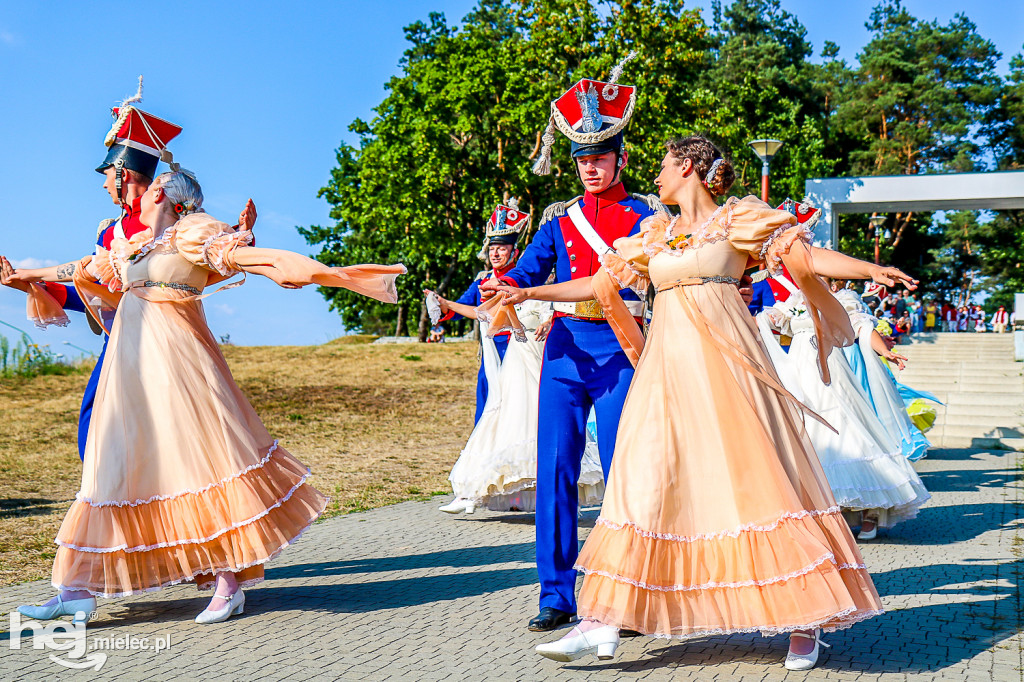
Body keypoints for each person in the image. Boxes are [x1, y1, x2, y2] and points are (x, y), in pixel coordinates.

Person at [497, 135, 922, 670]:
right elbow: (599, 282)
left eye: (663, 165)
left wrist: (869, 268)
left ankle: (804, 621)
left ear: (691, 169)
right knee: (641, 480)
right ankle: (601, 620)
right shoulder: (655, 232)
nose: (655, 177)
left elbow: (805, 256)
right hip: (665, 377)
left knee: (758, 482)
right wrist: (528, 293)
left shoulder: (738, 219)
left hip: (727, 371)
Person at [14, 169, 404, 625]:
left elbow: (244, 256)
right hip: (128, 370)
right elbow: (80, 268)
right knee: (112, 465)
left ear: (160, 192)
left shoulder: (194, 232)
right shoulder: (130, 248)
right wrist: (25, 274)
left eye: (150, 185)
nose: (139, 192)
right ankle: (75, 587)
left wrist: (295, 268)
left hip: (180, 366)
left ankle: (227, 583)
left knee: (198, 463)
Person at [479, 58, 671, 632]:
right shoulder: (558, 220)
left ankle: (628, 588)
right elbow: (527, 270)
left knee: (623, 470)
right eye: (583, 158)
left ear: (621, 158)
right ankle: (556, 593)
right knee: (556, 468)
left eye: (600, 156)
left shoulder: (648, 215)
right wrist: (503, 284)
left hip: (621, 348)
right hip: (564, 350)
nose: (591, 167)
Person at [1, 91, 258, 461]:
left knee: (179, 433)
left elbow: (216, 259)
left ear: (123, 174)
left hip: (167, 336)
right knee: (96, 427)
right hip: (123, 333)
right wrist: (28, 281)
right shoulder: (111, 230)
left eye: (107, 176)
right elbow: (93, 283)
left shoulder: (175, 221)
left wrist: (243, 238)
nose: (104, 185)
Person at [432, 201, 527, 424]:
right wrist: (443, 304)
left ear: (515, 252)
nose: (495, 253)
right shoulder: (481, 282)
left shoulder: (525, 282)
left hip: (519, 351)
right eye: (492, 248)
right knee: (487, 408)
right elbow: (462, 307)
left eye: (502, 248)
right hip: (491, 352)